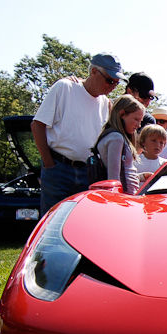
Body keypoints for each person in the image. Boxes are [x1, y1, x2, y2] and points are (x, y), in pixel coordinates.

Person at [33, 53, 120, 215]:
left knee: (81, 225)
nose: (113, 85)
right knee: (53, 224)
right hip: (58, 169)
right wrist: (49, 164)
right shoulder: (65, 87)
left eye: (117, 81)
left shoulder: (105, 103)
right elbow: (37, 125)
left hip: (88, 172)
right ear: (94, 71)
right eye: (110, 80)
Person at [94, 94, 144, 194]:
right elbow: (113, 178)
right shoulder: (116, 138)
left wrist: (140, 176)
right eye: (136, 119)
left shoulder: (115, 136)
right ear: (122, 114)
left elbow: (124, 171)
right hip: (123, 198)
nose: (138, 125)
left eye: (140, 121)